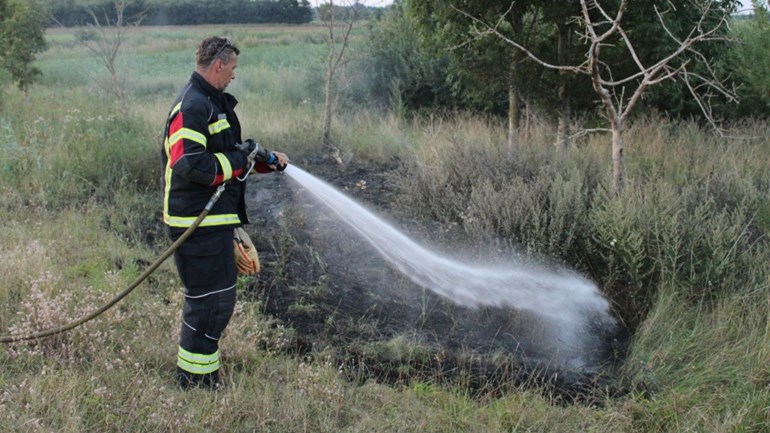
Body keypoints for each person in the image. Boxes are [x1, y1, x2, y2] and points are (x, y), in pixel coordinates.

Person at [160, 36, 288, 390]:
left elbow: (227, 155)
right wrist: (238, 159)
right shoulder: (192, 105)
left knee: (214, 301)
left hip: (211, 221)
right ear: (219, 65)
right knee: (210, 303)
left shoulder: (211, 103)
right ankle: (195, 383)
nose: (234, 74)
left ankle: (201, 375)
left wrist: (262, 162)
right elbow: (189, 162)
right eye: (232, 67)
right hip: (195, 224)